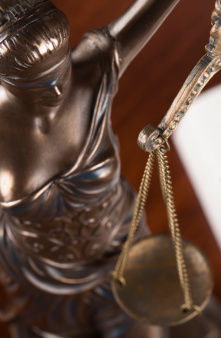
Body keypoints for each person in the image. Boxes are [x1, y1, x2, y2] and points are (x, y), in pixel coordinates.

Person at [0, 0, 179, 336]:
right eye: (37, 84)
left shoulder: (92, 73)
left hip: (119, 240)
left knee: (147, 327)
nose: (55, 89)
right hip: (41, 273)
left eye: (60, 70)